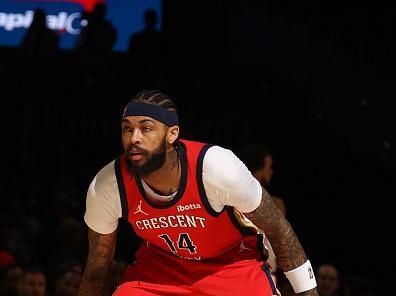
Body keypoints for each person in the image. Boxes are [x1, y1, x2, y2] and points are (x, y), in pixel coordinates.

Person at [78, 90, 318, 296]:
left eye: (146, 129)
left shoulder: (217, 168)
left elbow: (279, 230)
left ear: (172, 134)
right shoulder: (108, 185)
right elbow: (97, 269)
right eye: (127, 129)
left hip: (230, 266)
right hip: (160, 271)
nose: (134, 138)